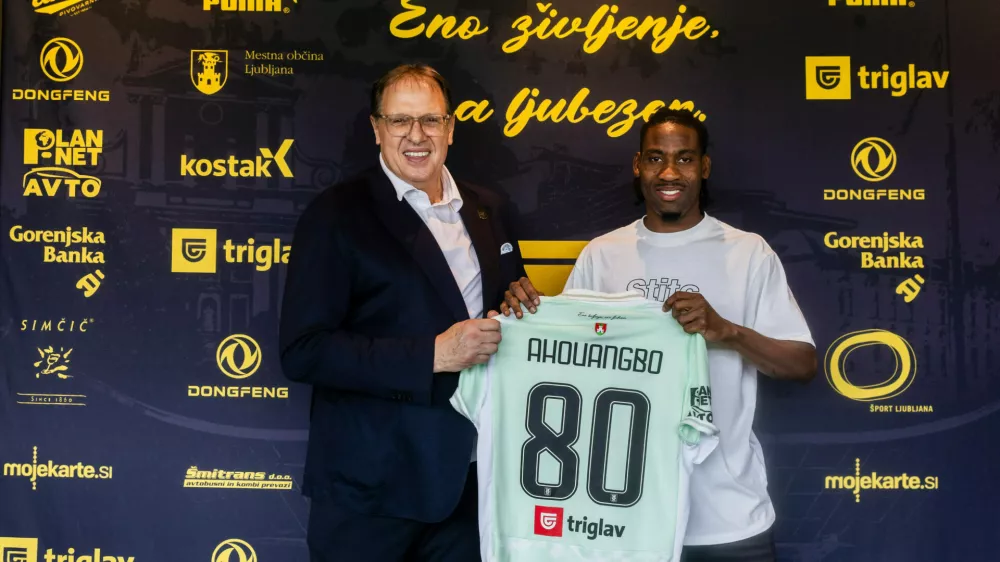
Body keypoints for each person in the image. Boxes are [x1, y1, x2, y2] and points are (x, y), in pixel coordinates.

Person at [501, 108, 817, 562]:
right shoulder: (603, 255)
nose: (669, 172)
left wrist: (726, 331)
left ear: (704, 168)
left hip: (728, 519)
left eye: (684, 159)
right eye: (655, 158)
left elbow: (802, 364)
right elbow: (565, 367)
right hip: (625, 520)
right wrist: (525, 318)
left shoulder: (749, 253)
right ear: (638, 165)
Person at [279, 63, 530, 562]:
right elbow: (303, 351)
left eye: (430, 121)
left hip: (469, 487)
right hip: (371, 495)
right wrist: (432, 355)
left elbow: (500, 311)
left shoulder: (488, 209)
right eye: (399, 121)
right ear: (376, 129)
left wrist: (517, 302)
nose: (416, 136)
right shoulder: (335, 214)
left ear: (451, 128)